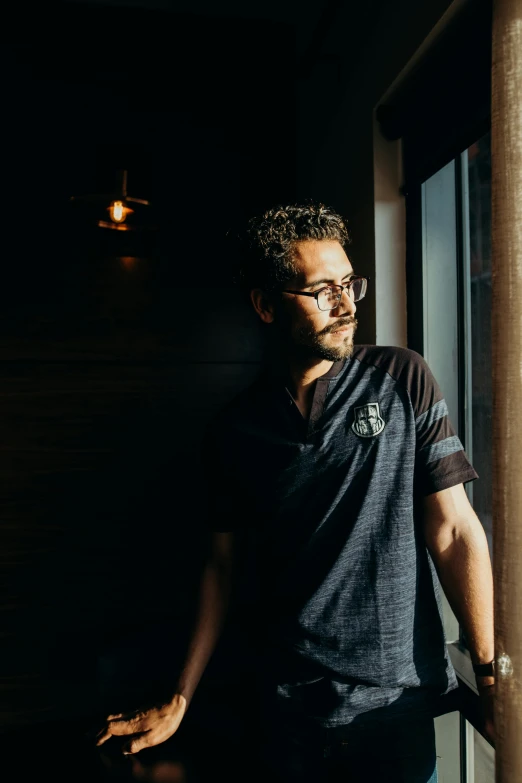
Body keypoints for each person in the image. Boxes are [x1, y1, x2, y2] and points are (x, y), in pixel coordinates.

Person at [93, 202, 495, 782]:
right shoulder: (234, 429)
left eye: (349, 283)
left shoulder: (402, 378)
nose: (347, 303)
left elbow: (454, 531)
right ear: (264, 305)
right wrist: (180, 697)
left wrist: (491, 674)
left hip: (395, 711)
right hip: (283, 712)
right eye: (321, 289)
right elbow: (221, 567)